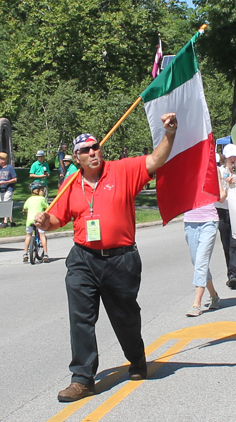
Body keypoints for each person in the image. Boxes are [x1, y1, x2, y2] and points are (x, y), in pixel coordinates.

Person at [34, 112, 178, 402]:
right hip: (82, 259)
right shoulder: (71, 185)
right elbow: (55, 221)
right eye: (85, 150)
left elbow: (155, 160)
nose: (93, 152)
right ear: (77, 158)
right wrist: (43, 221)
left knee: (125, 317)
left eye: (96, 146)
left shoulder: (122, 171)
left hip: (120, 260)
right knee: (80, 318)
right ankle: (83, 379)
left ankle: (136, 358)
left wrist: (170, 135)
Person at [184, 171, 227, 317]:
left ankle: (197, 303)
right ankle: (214, 295)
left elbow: (221, 197)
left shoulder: (213, 170)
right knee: (197, 262)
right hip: (190, 221)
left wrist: (227, 186)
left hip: (209, 221)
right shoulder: (187, 168)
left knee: (201, 261)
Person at [215, 143, 236, 289]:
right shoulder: (219, 170)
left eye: (235, 157)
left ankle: (234, 274)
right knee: (226, 244)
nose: (233, 160)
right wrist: (226, 183)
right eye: (230, 157)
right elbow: (217, 193)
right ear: (225, 158)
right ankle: (230, 272)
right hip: (223, 210)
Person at [23, 182, 49, 262]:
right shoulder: (42, 199)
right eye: (42, 190)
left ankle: (25, 253)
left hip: (30, 220)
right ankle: (45, 254)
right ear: (38, 191)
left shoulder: (29, 199)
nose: (43, 192)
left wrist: (25, 212)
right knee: (42, 235)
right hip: (39, 220)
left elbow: (24, 209)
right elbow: (48, 208)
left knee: (28, 235)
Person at [0, 151, 17, 228]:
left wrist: (5, 182)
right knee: (5, 204)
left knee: (6, 203)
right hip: (1, 189)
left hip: (9, 188)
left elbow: (15, 179)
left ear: (4, 160)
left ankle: (5, 222)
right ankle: (12, 222)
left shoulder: (9, 167)